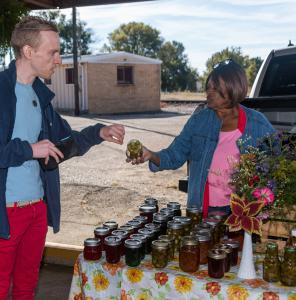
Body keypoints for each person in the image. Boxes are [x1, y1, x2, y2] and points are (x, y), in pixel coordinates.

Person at [0, 16, 125, 299]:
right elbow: (34, 148)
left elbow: (62, 144)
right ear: (28, 52)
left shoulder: (39, 96)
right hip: (5, 213)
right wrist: (29, 149)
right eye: (52, 52)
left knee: (26, 287)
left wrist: (98, 132)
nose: (58, 60)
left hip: (35, 209)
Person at [127, 59, 275, 217]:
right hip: (202, 209)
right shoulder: (199, 121)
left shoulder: (257, 124)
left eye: (216, 88)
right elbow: (174, 155)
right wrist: (151, 154)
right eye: (208, 87)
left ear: (234, 88)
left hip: (242, 211)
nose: (209, 92)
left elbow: (275, 166)